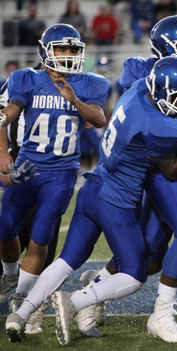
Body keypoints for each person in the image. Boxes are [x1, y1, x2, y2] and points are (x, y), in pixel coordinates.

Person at [5, 55, 177, 344]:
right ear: (162, 91)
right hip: (116, 200)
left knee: (67, 259)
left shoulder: (138, 89)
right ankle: (74, 302)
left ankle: (21, 314)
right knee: (135, 274)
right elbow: (172, 170)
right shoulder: (160, 127)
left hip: (91, 187)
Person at [0, 23, 109, 324]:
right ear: (46, 50)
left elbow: (99, 119)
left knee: (41, 236)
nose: (67, 55)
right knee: (5, 228)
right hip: (26, 165)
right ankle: (10, 277)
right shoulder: (25, 78)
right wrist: (2, 147)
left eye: (72, 50)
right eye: (61, 48)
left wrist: (74, 100)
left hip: (61, 171)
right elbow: (10, 111)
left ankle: (23, 298)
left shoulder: (90, 83)